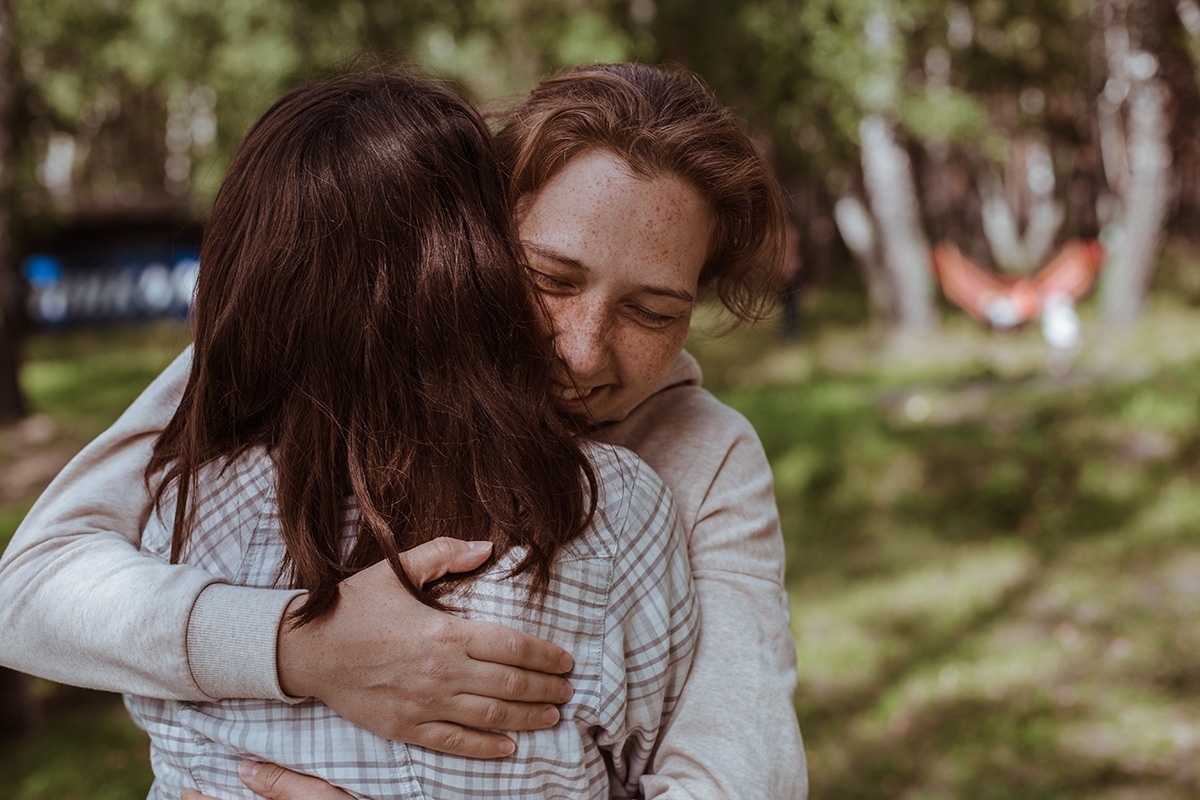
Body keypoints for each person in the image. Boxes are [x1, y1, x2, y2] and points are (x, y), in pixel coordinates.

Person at [0, 62, 807, 798]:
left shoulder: (703, 458)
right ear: (470, 245)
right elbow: (28, 593)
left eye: (651, 311)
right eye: (550, 280)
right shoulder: (306, 364)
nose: (582, 348)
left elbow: (741, 777)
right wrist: (303, 648)